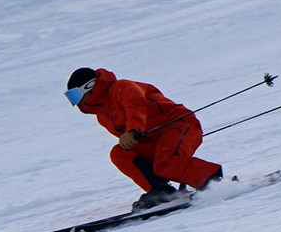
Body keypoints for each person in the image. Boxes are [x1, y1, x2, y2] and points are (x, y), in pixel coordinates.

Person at [65, 67, 223, 209]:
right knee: (120, 153)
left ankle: (212, 180)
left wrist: (133, 130)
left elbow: (136, 105)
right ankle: (161, 190)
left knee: (165, 163)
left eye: (74, 95)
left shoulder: (122, 88)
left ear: (89, 87)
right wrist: (131, 137)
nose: (75, 102)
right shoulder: (103, 116)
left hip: (178, 125)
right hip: (154, 140)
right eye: (70, 98)